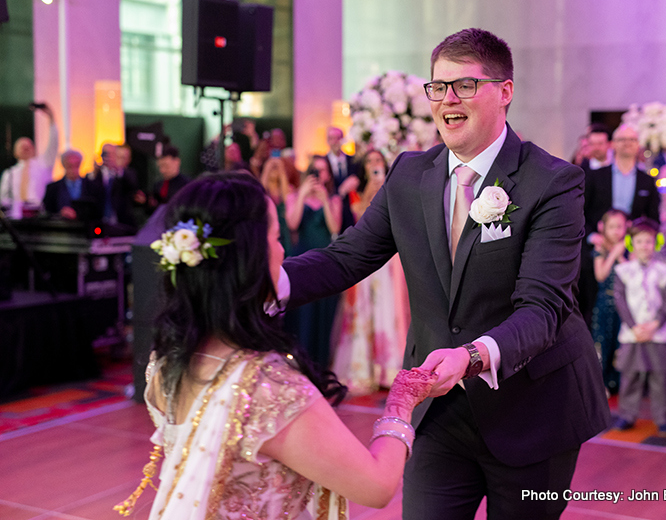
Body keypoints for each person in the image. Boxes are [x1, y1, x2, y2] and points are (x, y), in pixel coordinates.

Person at [280, 28, 609, 520]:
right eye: (438, 86)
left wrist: (473, 356)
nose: (448, 99)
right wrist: (262, 284)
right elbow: (346, 257)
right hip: (438, 408)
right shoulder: (410, 174)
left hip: (533, 408)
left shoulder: (554, 182)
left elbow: (543, 308)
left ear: (505, 91)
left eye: (465, 85)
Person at [116, 172, 437, 518]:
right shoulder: (266, 389)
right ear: (250, 258)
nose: (282, 249)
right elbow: (376, 485)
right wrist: (402, 402)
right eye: (275, 236)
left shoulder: (165, 364)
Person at [332, 150, 411, 395]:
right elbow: (360, 219)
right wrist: (370, 192)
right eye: (369, 161)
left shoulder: (395, 187)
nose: (374, 165)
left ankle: (389, 367)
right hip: (368, 257)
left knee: (389, 308)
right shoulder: (357, 193)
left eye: (377, 161)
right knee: (365, 309)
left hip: (391, 260)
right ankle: (364, 368)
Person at [580, 123, 661, 329]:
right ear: (613, 144)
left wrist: (640, 247)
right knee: (592, 310)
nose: (627, 144)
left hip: (629, 256)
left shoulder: (647, 181)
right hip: (597, 253)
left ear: (638, 145)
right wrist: (592, 237)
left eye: (632, 140)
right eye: (622, 140)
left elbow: (653, 221)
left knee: (630, 310)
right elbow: (579, 213)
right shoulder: (595, 177)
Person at [612, 218, 666, 436]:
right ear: (631, 243)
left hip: (657, 333)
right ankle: (627, 415)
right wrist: (634, 327)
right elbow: (620, 301)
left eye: (648, 242)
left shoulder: (665, 271)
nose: (644, 246)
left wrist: (655, 324)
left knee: (659, 377)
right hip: (632, 334)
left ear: (656, 243)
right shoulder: (623, 271)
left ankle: (662, 418)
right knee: (630, 377)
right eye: (639, 242)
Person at [285, 155, 343, 367]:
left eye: (323, 170)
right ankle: (299, 358)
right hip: (301, 257)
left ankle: (320, 361)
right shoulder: (294, 196)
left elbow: (335, 228)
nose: (320, 175)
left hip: (325, 260)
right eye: (315, 170)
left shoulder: (334, 199)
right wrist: (302, 194)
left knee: (323, 310)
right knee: (303, 311)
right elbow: (292, 223)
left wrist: (324, 199)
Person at [591, 209, 629, 395]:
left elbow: (630, 275)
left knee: (619, 345)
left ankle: (618, 382)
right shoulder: (601, 250)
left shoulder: (629, 249)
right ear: (603, 228)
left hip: (624, 306)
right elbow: (600, 275)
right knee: (602, 343)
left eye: (620, 227)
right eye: (612, 227)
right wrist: (613, 253)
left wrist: (621, 254)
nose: (616, 231)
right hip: (605, 303)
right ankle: (601, 383)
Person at [0, 103, 59, 218]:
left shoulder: (43, 165)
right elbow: (3, 199)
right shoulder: (9, 174)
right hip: (16, 218)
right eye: (22, 146)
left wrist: (51, 118)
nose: (26, 148)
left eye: (28, 145)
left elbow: (53, 144)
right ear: (15, 152)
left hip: (38, 217)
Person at [42, 149, 104, 220]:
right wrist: (59, 214)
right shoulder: (52, 188)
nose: (73, 169)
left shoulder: (93, 187)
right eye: (70, 165)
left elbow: (98, 212)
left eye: (76, 165)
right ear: (63, 165)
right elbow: (47, 213)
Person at [260, 156, 294, 255]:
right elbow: (260, 192)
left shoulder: (287, 190)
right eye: (272, 169)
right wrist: (268, 167)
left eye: (276, 169)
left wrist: (281, 168)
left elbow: (287, 198)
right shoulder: (264, 191)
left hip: (284, 229)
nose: (274, 170)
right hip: (268, 228)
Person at [149, 145, 190, 210]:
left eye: (166, 166)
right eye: (160, 166)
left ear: (177, 162)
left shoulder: (187, 186)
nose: (162, 170)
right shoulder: (157, 185)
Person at [325, 126, 360, 198]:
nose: (335, 142)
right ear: (327, 141)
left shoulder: (353, 161)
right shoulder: (323, 162)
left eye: (338, 138)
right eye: (331, 138)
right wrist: (341, 190)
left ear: (342, 140)